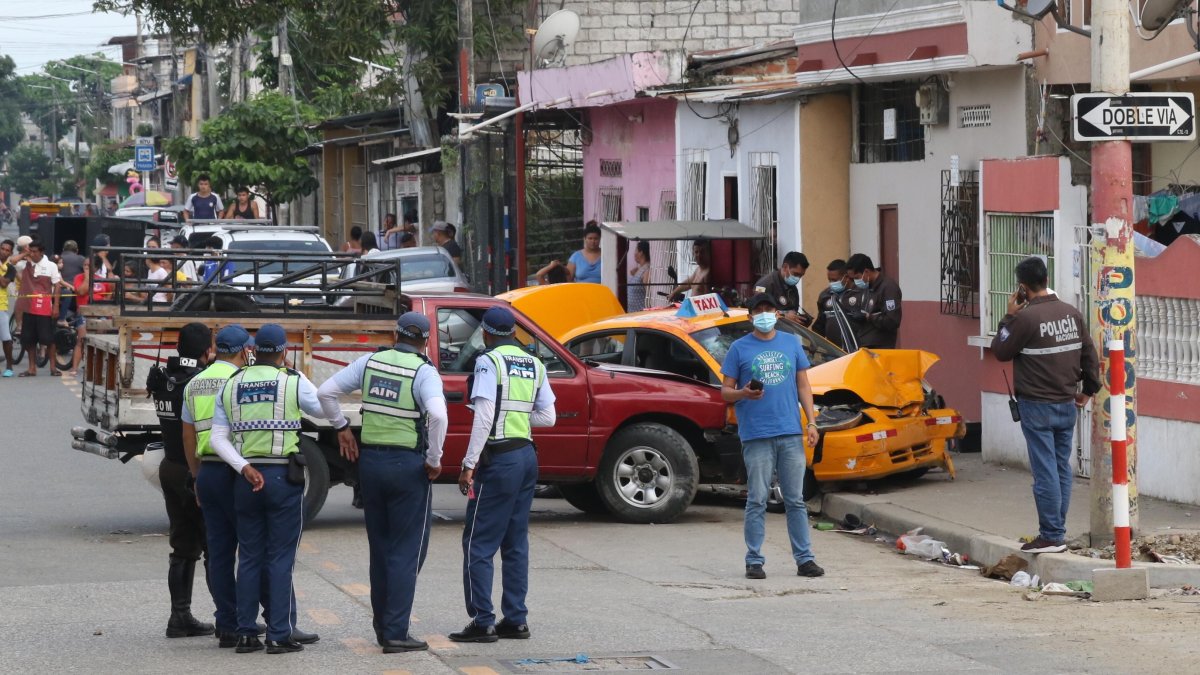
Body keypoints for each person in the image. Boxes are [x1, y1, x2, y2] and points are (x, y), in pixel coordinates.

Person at [316, 312, 447, 653]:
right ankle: (396, 633)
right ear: (426, 340)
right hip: (407, 466)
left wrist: (342, 427)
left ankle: (382, 627)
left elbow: (326, 392)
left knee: (381, 548)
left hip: (370, 464)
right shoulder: (423, 371)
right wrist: (434, 459)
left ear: (396, 334)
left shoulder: (370, 362)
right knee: (405, 552)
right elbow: (439, 415)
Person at [209, 324, 324, 654]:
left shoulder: (231, 384)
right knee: (280, 558)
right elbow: (322, 407)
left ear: (253, 350)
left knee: (248, 557)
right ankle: (278, 633)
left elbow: (218, 439)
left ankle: (246, 633)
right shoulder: (292, 381)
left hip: (246, 480)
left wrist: (243, 467)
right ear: (284, 351)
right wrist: (299, 376)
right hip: (282, 479)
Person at [450, 307, 556, 644]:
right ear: (513, 331)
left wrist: (469, 464)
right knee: (515, 541)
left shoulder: (489, 361)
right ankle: (516, 619)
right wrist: (517, 418)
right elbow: (548, 417)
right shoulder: (534, 363)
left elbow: (482, 416)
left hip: (500, 461)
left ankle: (483, 621)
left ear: (486, 332)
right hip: (526, 457)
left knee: (478, 542)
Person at [990, 257, 1100, 554]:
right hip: (1067, 403)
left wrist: (1008, 317)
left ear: (1023, 288)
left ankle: (1051, 535)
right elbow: (1089, 354)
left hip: (1036, 406)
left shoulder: (1025, 320)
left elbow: (1000, 350)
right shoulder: (1071, 313)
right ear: (1046, 278)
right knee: (1061, 468)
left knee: (1046, 472)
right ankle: (1057, 532)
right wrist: (1089, 390)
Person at [720, 293, 824, 580]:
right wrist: (743, 393)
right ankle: (754, 560)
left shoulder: (791, 343)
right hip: (756, 435)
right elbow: (725, 391)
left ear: (777, 314)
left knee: (795, 500)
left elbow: (803, 385)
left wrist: (812, 423)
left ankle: (805, 560)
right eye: (759, 310)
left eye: (769, 309)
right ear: (751, 316)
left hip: (790, 431)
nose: (764, 314)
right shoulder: (738, 349)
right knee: (756, 499)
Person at [146, 322, 216, 640]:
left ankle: (180, 617)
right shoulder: (198, 383)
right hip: (194, 470)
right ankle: (228, 617)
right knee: (214, 546)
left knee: (182, 546)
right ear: (206, 351)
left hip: (170, 467)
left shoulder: (163, 379)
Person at [14, 240, 60, 377]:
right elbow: (12, 261)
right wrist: (25, 253)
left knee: (48, 338)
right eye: (31, 251)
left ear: (42, 252)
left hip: (44, 309)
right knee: (29, 339)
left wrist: (56, 306)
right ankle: (31, 368)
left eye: (35, 252)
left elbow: (57, 285)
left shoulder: (51, 266)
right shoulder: (26, 263)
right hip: (28, 308)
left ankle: (53, 368)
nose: (32, 254)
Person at [66, 255, 115, 377]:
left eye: (89, 266)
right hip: (84, 312)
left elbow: (110, 292)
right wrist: (87, 277)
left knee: (99, 340)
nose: (86, 267)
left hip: (99, 313)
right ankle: (74, 367)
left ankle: (96, 366)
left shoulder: (101, 279)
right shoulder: (79, 277)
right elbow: (81, 291)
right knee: (81, 339)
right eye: (85, 265)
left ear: (96, 267)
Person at [846, 253, 902, 349]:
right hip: (864, 345)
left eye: (856, 278)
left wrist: (869, 317)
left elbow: (892, 321)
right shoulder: (867, 286)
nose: (855, 282)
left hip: (880, 348)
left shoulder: (888, 287)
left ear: (866, 271)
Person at [813, 259, 862, 350]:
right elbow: (821, 324)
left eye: (834, 280)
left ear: (846, 277)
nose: (832, 283)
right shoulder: (825, 295)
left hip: (856, 350)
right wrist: (814, 343)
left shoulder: (859, 293)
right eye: (829, 280)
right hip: (833, 352)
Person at [753, 251, 812, 326]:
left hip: (787, 332)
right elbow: (758, 312)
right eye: (796, 274)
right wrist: (784, 316)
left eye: (801, 275)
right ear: (785, 267)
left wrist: (798, 318)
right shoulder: (763, 285)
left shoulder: (792, 288)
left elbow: (793, 310)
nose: (798, 278)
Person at [56, 240, 86, 325]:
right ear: (77, 250)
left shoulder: (58, 258)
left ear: (63, 249)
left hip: (58, 293)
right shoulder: (81, 259)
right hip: (75, 294)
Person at [0, 239, 15, 377]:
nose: (4, 252)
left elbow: (4, 283)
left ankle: (9, 367)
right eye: (2, 249)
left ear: (11, 253)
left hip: (1, 306)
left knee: (6, 338)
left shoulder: (10, 268)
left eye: (7, 250)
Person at [626, 241, 651, 312]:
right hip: (632, 313)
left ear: (641, 252)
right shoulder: (639, 269)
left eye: (636, 250)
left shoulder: (647, 270)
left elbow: (649, 294)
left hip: (640, 313)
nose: (634, 254)